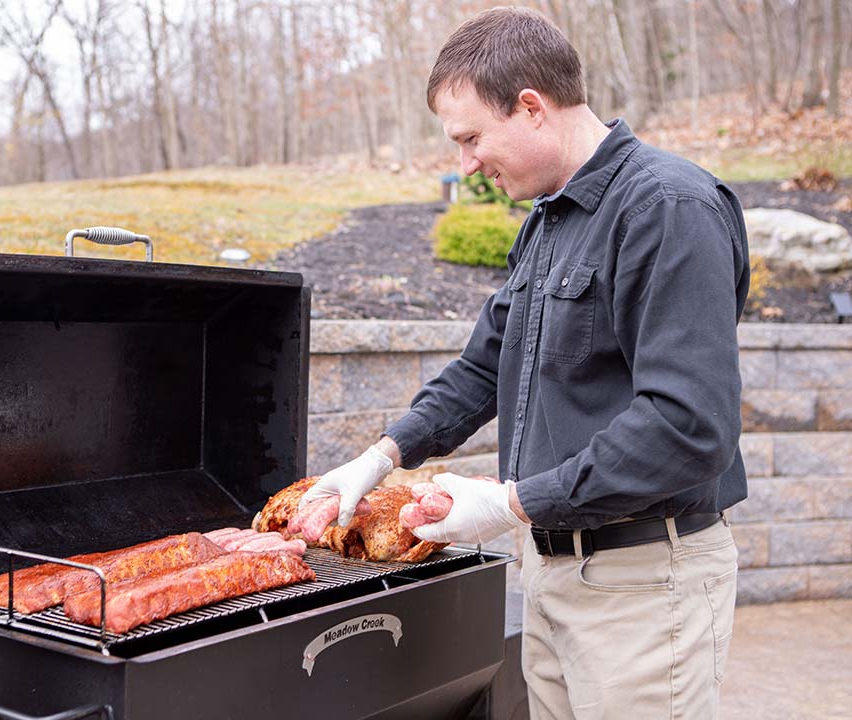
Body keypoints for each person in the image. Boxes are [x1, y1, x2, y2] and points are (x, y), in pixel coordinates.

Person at [300, 6, 750, 719]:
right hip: (554, 573)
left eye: (471, 137)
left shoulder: (667, 207)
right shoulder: (549, 222)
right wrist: (382, 455)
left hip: (641, 584)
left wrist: (509, 504)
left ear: (532, 107)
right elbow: (484, 366)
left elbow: (687, 425)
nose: (467, 164)